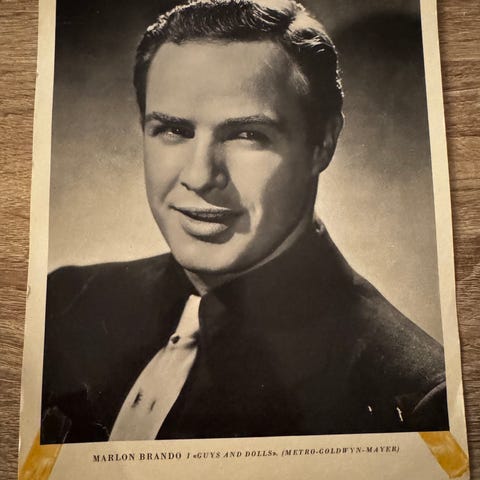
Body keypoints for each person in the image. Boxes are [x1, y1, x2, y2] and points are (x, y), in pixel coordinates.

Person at [41, 0, 448, 443]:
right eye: (174, 130)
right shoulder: (63, 303)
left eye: (247, 134)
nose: (200, 176)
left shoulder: (416, 399)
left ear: (323, 144)